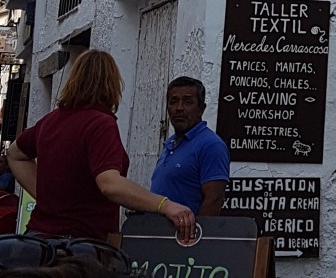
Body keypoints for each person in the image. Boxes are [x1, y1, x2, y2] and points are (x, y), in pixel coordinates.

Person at [6, 50, 195, 243]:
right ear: (111, 84)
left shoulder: (50, 121)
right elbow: (109, 184)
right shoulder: (100, 124)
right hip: (78, 245)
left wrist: (46, 198)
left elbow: (14, 154)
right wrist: (164, 205)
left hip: (38, 241)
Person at [150, 77, 229, 216]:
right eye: (173, 101)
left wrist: (196, 230)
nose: (179, 108)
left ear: (201, 109)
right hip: (157, 228)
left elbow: (214, 200)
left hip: (185, 230)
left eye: (187, 102)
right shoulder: (170, 144)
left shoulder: (211, 145)